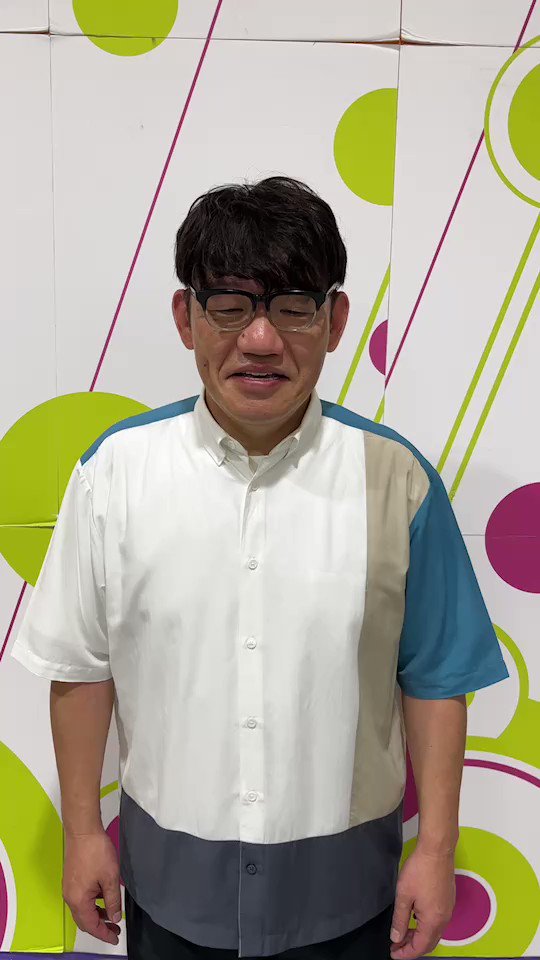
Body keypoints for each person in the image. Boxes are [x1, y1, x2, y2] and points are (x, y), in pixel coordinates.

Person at [11, 176, 509, 960]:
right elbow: (80, 666)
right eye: (229, 305)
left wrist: (438, 848)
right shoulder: (114, 476)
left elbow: (437, 679)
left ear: (336, 321)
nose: (262, 339)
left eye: (294, 306)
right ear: (185, 317)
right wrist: (81, 832)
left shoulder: (397, 481)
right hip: (170, 890)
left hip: (347, 896)